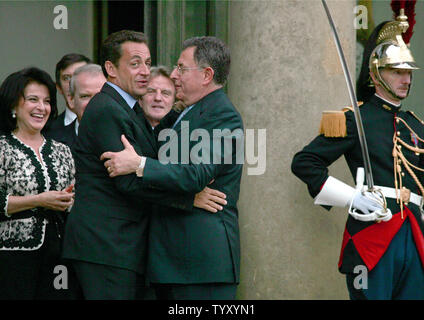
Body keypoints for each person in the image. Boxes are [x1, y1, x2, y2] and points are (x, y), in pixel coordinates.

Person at [62, 30, 227, 300]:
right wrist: (189, 198)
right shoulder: (106, 109)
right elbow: (127, 181)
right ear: (111, 68)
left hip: (124, 248)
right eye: (135, 63)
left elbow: (145, 163)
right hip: (106, 247)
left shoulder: (129, 108)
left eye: (148, 63)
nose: (144, 71)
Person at [291, 13, 424, 299]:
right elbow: (305, 163)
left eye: (408, 72)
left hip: (414, 235)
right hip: (373, 236)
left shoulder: (415, 125)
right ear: (376, 75)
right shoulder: (354, 120)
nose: (406, 79)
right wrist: (352, 198)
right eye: (397, 71)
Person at [101, 36, 244, 300]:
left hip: (201, 267)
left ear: (206, 74)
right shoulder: (183, 112)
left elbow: (197, 174)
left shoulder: (223, 115)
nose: (174, 75)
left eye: (181, 68)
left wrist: (139, 165)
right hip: (170, 263)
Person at [0, 67, 76, 299]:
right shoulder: (2, 147)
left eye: (47, 101)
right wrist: (39, 200)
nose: (41, 108)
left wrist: (68, 201)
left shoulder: (62, 150)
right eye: (33, 100)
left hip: (59, 254)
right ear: (14, 106)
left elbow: (76, 196)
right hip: (12, 257)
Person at [44, 53, 91, 146]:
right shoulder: (46, 133)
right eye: (67, 78)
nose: (73, 83)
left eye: (80, 75)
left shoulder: (114, 124)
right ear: (59, 88)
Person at [68, 63, 106, 134]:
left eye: (100, 96)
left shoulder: (128, 137)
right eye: (85, 96)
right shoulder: (52, 140)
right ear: (71, 100)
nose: (94, 103)